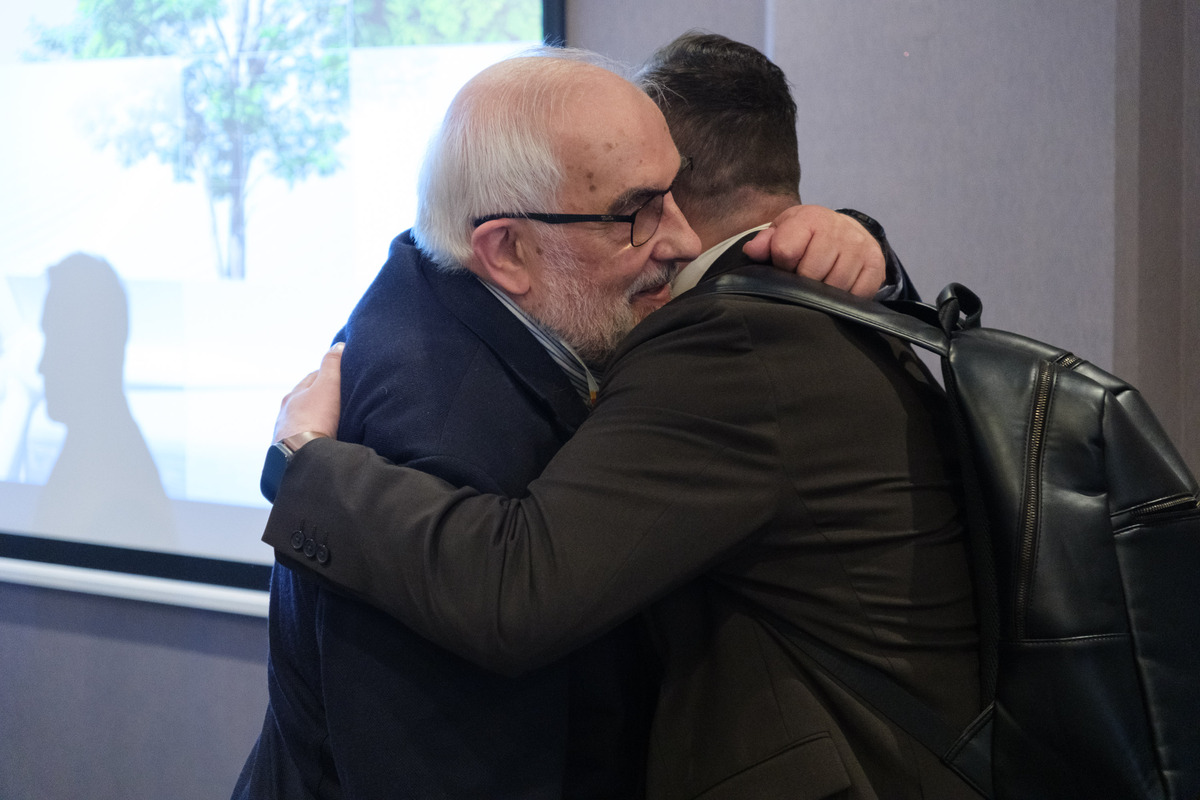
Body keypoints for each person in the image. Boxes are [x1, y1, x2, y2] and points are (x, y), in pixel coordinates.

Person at [258, 35, 981, 799]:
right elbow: (496, 629)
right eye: (637, 210)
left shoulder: (679, 331)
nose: (682, 238)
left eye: (675, 193)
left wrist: (858, 235)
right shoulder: (437, 431)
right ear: (506, 251)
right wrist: (300, 462)